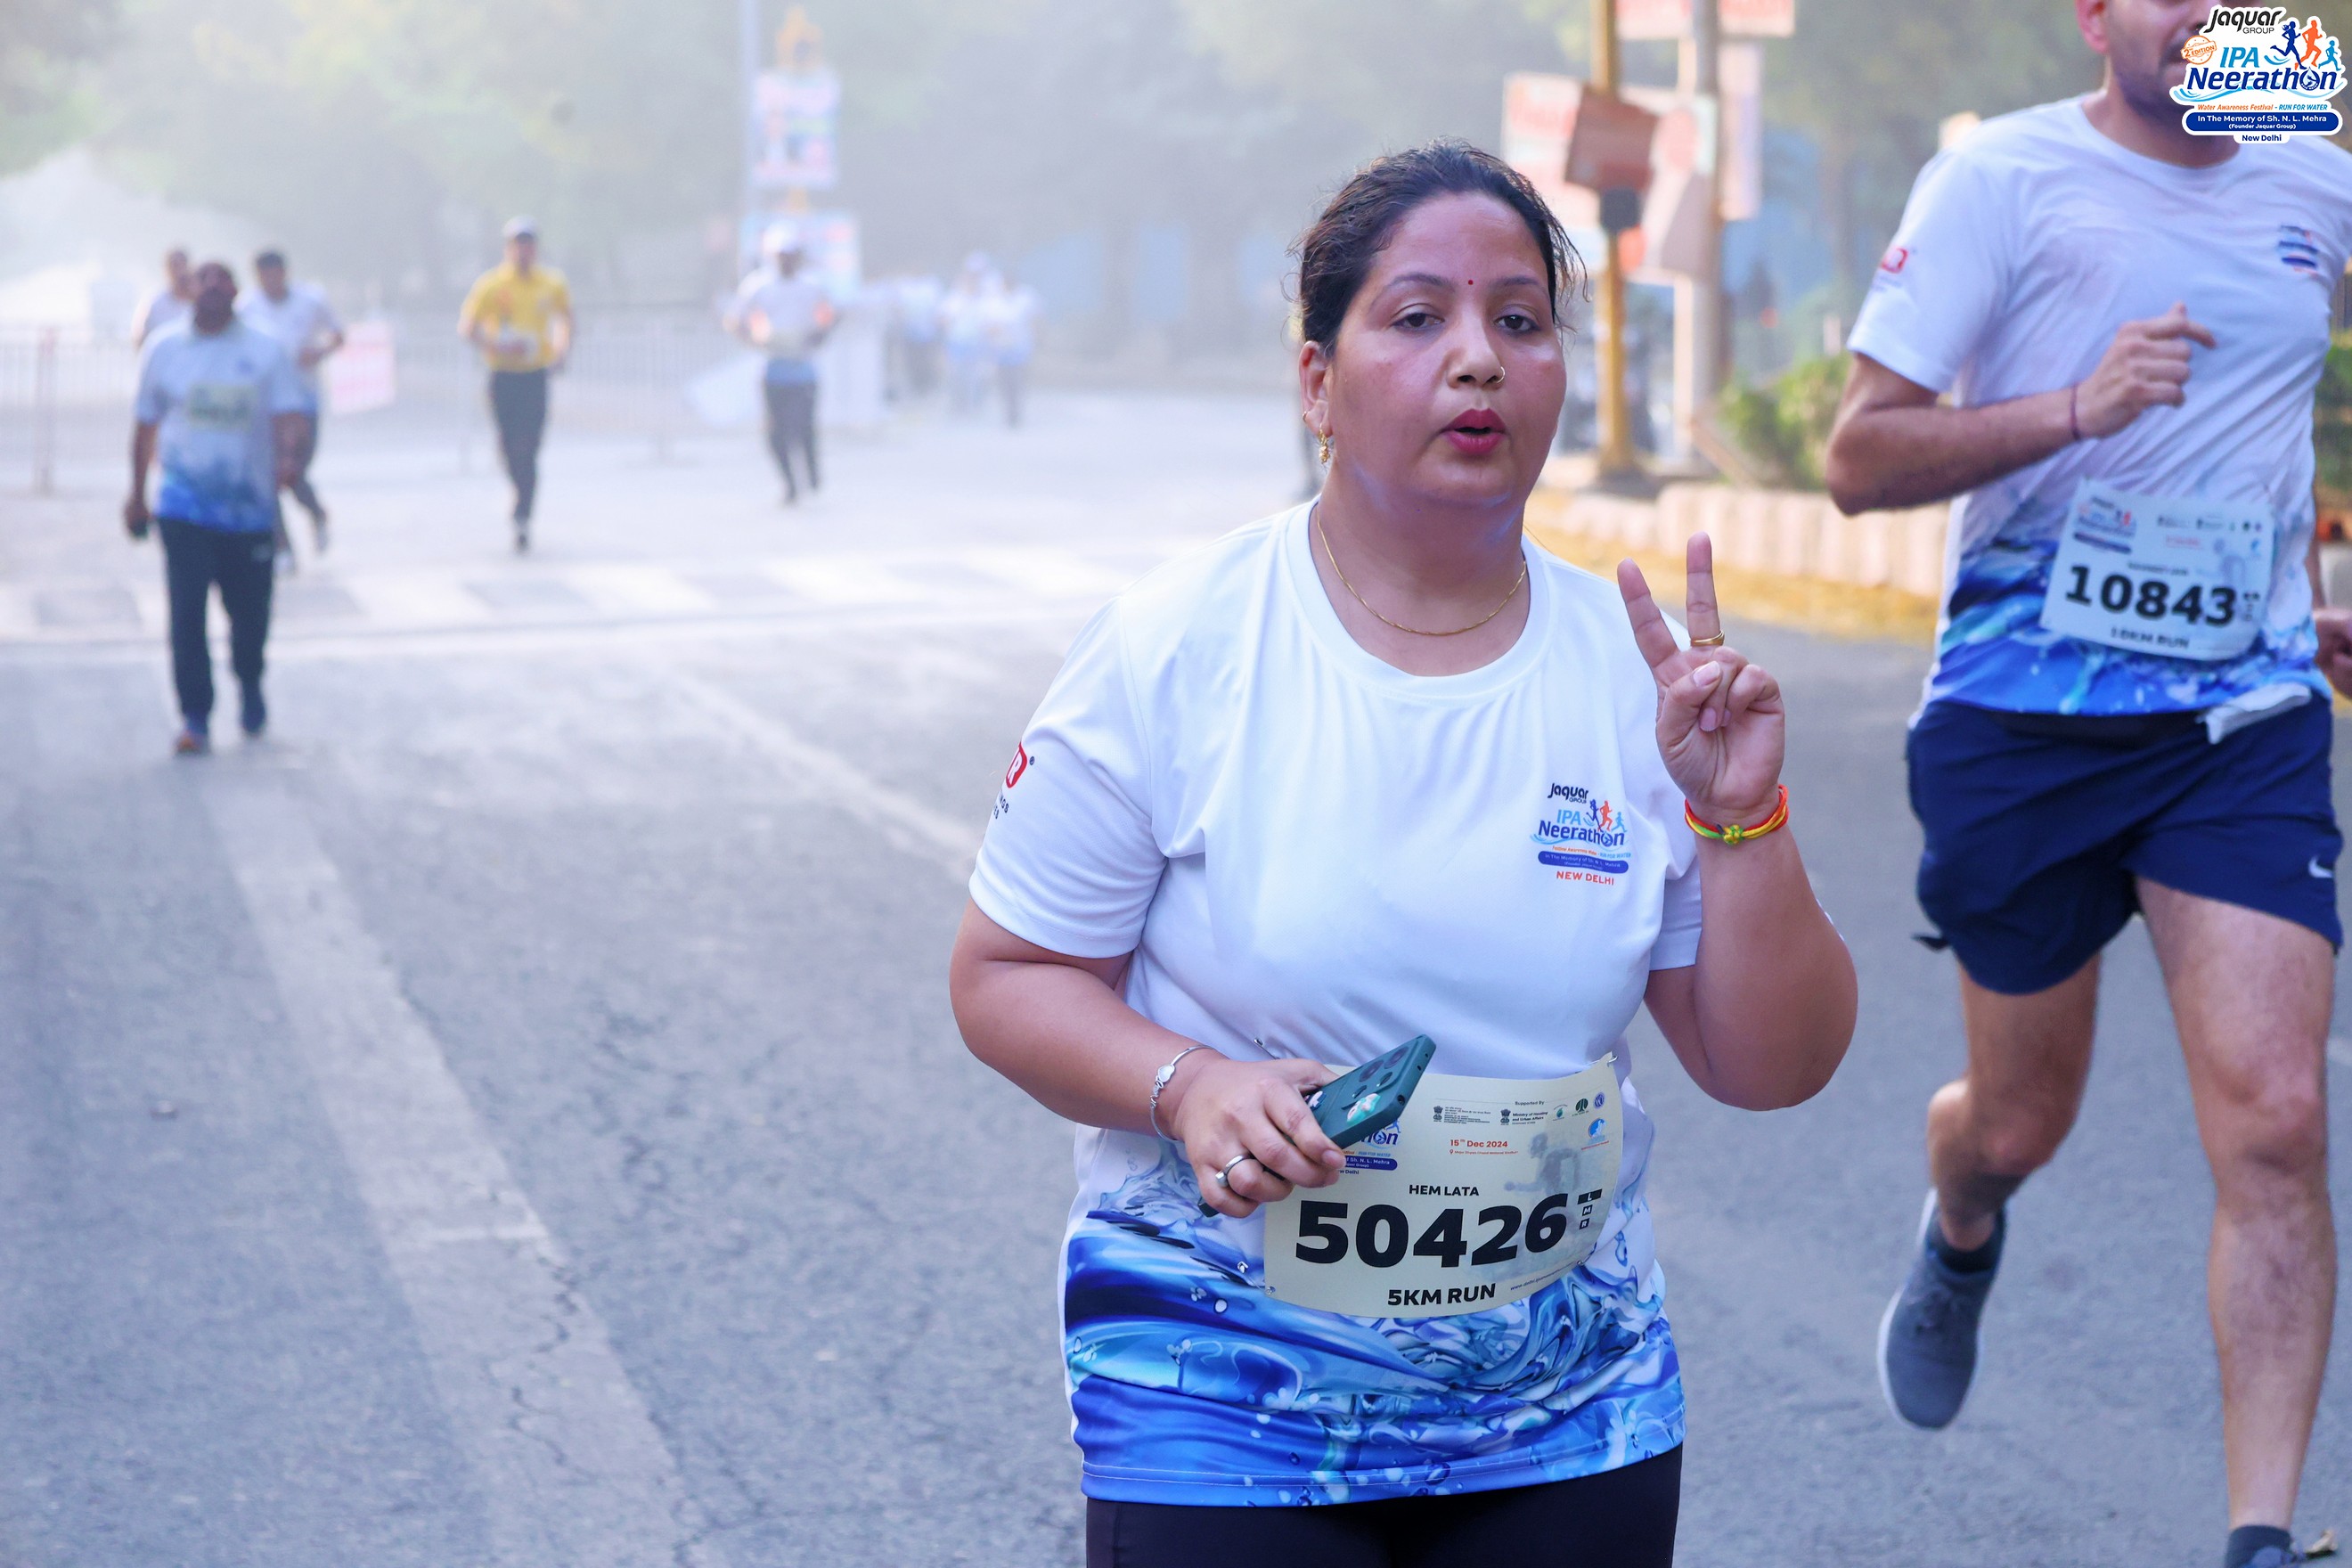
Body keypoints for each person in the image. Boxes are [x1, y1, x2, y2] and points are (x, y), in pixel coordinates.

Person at [949, 142, 1857, 1566]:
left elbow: (1771, 1065)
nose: (1478, 359)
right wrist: (1190, 1086)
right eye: (1419, 316)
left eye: (1519, 319)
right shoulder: (1177, 646)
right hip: (1227, 1393)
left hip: (1563, 1402)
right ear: (1318, 383)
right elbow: (1006, 975)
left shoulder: (1642, 682)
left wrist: (1742, 814)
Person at [1822, 3, 2352, 1564]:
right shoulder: (2000, 179)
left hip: (2242, 719)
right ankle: (1963, 1221)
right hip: (2023, 726)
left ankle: (2260, 1537)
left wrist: (2296, 595)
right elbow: (1857, 459)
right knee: (2017, 1123)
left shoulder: (2319, 163)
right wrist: (2077, 407)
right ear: (2095, 17)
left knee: (2278, 1119)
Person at [123, 259, 308, 755]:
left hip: (248, 511)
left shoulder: (265, 350)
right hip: (182, 507)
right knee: (186, 615)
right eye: (202, 279)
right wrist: (136, 495)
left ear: (235, 291)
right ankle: (195, 716)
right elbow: (145, 426)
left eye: (221, 278)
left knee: (249, 617)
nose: (211, 286)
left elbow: (289, 417)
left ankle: (249, 681)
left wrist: (289, 460)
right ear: (189, 291)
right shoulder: (164, 350)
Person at [457, 216, 572, 552]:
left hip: (535, 374)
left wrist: (561, 350)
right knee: (508, 446)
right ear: (509, 249)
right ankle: (519, 491)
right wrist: (495, 345)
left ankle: (523, 513)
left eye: (529, 245)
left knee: (530, 445)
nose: (524, 251)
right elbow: (468, 327)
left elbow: (566, 319)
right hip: (503, 374)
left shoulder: (551, 283)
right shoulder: (492, 285)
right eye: (518, 245)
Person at [239, 248, 345, 559]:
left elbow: (338, 334)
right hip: (266, 406)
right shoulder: (247, 308)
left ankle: (316, 513)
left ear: (284, 273)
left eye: (275, 275)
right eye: (264, 276)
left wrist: (319, 352)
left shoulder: (311, 300)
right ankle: (282, 547)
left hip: (303, 401)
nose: (270, 282)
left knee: (294, 471)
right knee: (268, 474)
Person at [725, 225, 834, 504]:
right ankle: (790, 483)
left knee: (803, 427)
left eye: (791, 255)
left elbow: (828, 317)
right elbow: (735, 320)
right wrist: (755, 340)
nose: (786, 260)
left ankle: (811, 473)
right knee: (776, 433)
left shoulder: (812, 286)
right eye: (781, 255)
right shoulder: (758, 286)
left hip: (804, 369)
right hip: (773, 368)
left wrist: (817, 336)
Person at [981, 270, 1041, 429]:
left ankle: (1016, 411)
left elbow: (1034, 320)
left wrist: (1034, 339)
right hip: (1001, 349)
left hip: (1020, 348)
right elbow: (987, 326)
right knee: (1004, 382)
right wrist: (995, 333)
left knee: (1017, 381)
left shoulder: (1025, 298)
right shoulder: (994, 302)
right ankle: (1008, 411)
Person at [134, 248, 192, 347]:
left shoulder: (198, 300)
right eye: (174, 266)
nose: (179, 272)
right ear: (166, 270)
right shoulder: (153, 301)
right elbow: (140, 337)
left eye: (182, 265)